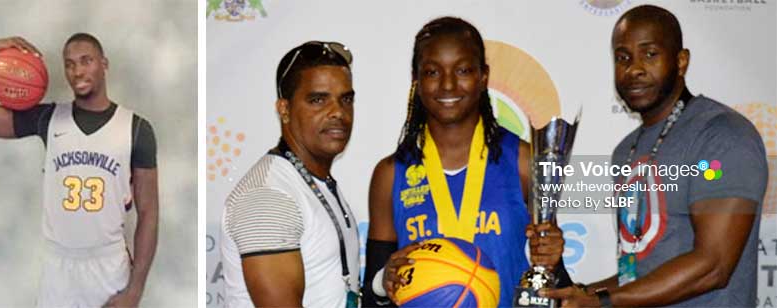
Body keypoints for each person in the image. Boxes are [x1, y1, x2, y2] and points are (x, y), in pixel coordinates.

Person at [543, 5, 766, 307]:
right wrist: (576, 294)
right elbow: (634, 274)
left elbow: (714, 266)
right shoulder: (626, 151)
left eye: (650, 54)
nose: (634, 69)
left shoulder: (722, 135)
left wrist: (603, 303)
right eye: (623, 58)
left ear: (681, 61)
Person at [362, 17, 570, 307]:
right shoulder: (390, 175)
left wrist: (553, 260)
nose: (448, 84)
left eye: (463, 70)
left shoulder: (523, 162)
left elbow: (556, 283)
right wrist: (383, 281)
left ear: (483, 76)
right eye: (433, 71)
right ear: (417, 80)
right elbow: (372, 298)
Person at [0, 33, 158, 308]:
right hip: (58, 267)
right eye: (70, 64)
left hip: (108, 265)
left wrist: (135, 291)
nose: (78, 71)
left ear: (104, 63)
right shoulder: (46, 118)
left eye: (86, 61)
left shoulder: (136, 128)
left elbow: (149, 213)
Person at [220, 41, 360, 307]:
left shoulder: (314, 181)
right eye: (318, 100)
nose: (338, 113)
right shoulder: (267, 197)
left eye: (346, 99)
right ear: (284, 109)